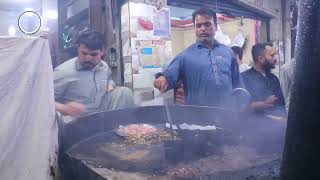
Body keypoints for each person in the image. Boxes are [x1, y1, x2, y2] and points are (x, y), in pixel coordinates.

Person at [154, 8, 242, 107]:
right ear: (195, 29)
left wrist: (242, 105)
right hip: (198, 118)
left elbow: (238, 84)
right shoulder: (185, 56)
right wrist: (163, 79)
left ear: (216, 27)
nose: (203, 29)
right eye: (198, 26)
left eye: (207, 24)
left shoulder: (228, 52)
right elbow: (169, 75)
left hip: (228, 115)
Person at [54, 30, 134, 117]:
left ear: (102, 52)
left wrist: (110, 85)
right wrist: (65, 108)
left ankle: (121, 127)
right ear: (78, 49)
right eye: (84, 53)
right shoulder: (63, 71)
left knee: (124, 92)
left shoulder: (104, 67)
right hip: (78, 119)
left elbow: (109, 80)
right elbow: (42, 99)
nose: (87, 58)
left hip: (101, 114)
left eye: (93, 54)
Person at [241, 43, 285, 114]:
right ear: (261, 59)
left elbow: (281, 105)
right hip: (253, 123)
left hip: (275, 123)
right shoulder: (244, 78)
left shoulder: (274, 78)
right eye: (272, 55)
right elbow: (239, 108)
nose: (275, 59)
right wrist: (262, 104)